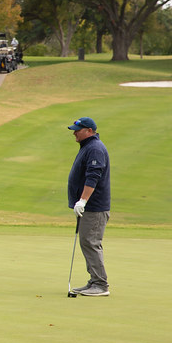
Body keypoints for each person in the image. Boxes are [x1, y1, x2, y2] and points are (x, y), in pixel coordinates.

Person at [66, 117, 111, 296]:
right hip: (89, 207)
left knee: (91, 243)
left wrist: (83, 201)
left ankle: (100, 284)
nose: (74, 132)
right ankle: (94, 281)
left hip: (94, 206)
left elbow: (93, 176)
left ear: (90, 131)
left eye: (78, 129)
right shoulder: (88, 147)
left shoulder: (95, 149)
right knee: (87, 242)